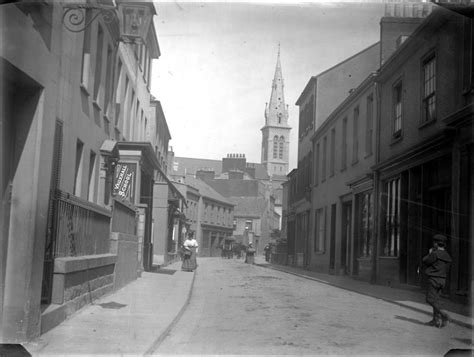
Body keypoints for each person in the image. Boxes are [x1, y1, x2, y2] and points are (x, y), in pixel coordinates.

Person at [422, 234, 452, 328]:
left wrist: (430, 253)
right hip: (442, 280)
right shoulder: (447, 255)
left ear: (435, 244)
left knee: (430, 299)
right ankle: (436, 321)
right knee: (436, 300)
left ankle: (444, 315)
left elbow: (425, 261)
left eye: (434, 242)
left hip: (433, 279)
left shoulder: (435, 254)